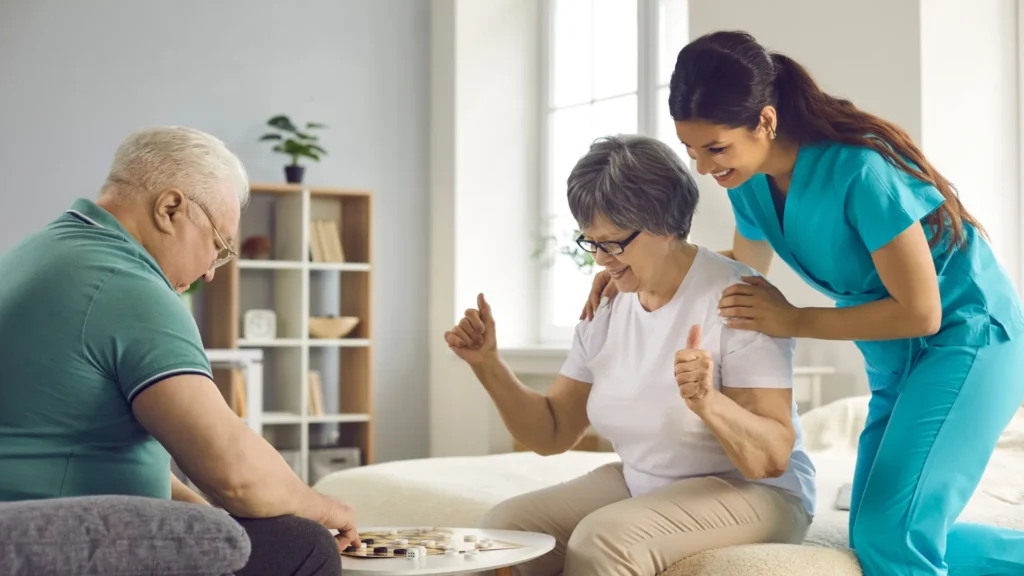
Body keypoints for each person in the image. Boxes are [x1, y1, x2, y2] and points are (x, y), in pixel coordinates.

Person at [581, 31, 1024, 576]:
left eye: (715, 148)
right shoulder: (747, 182)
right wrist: (630, 262)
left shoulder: (862, 172)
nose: (702, 167)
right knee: (873, 534)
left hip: (967, 341)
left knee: (894, 532)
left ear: (765, 120)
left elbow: (923, 311)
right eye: (691, 150)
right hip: (891, 354)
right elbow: (736, 270)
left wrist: (792, 320)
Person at [445, 134, 817, 576]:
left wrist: (707, 401)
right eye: (592, 243)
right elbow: (553, 432)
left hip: (759, 492)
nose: (601, 260)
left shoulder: (740, 299)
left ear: (666, 225)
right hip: (644, 484)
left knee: (603, 541)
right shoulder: (607, 304)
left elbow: (770, 458)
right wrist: (488, 365)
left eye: (614, 242)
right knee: (503, 533)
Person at [0, 126, 357, 576]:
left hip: (17, 525)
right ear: (171, 208)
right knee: (302, 545)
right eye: (219, 246)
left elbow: (96, 441)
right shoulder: (128, 284)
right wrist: (323, 508)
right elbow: (234, 473)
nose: (211, 272)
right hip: (60, 540)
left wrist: (205, 511)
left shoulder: (34, 255)